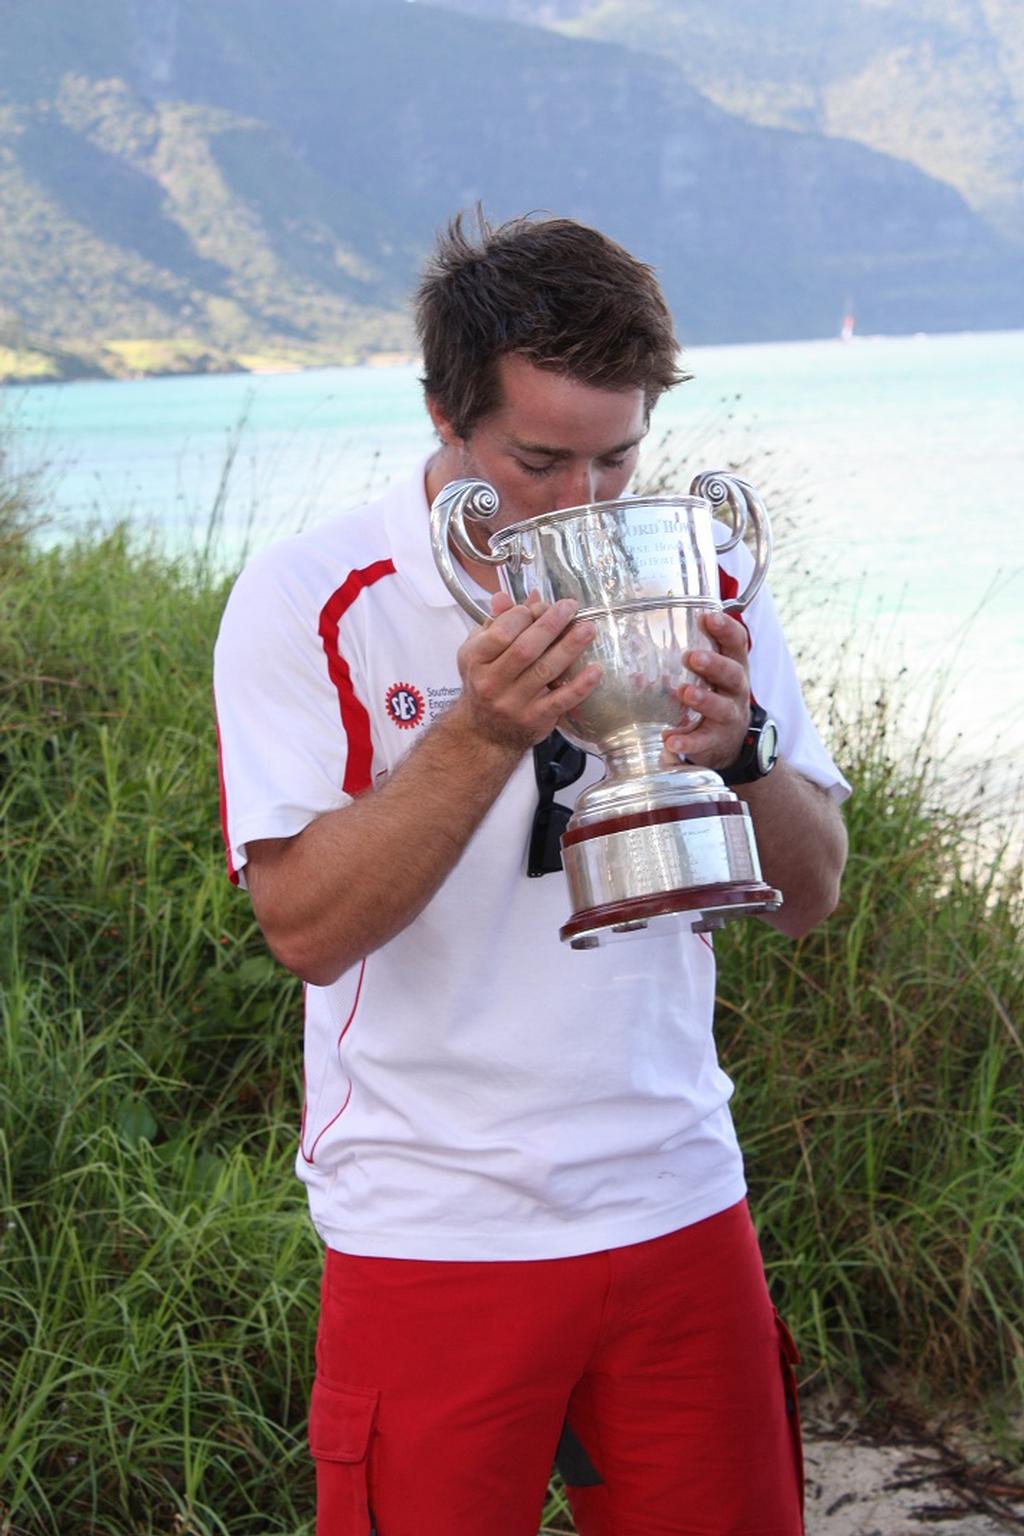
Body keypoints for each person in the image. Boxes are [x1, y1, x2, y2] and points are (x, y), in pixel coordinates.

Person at [213, 211, 849, 1536]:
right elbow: (306, 929)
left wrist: (744, 752)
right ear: (445, 420)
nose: (583, 505)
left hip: (679, 1193)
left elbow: (811, 892)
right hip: (435, 1228)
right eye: (538, 461)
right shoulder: (312, 597)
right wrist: (483, 730)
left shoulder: (704, 569)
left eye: (619, 457)